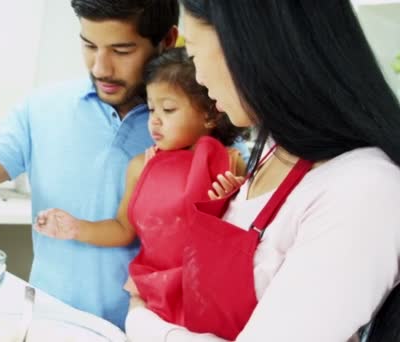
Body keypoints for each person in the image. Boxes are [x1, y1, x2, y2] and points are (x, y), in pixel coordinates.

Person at [124, 0, 400, 341]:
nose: (198, 78)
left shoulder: (364, 191)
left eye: (194, 55)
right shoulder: (275, 153)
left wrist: (143, 323)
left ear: (248, 46)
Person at [0, 0, 180, 329]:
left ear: (167, 41)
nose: (101, 67)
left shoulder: (198, 128)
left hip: (146, 334)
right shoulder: (45, 108)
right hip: (45, 327)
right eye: (89, 45)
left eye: (121, 50)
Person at [33, 47, 247, 324]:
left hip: (204, 293)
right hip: (151, 291)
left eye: (168, 109)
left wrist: (234, 197)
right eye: (151, 108)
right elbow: (123, 230)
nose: (155, 120)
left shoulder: (230, 163)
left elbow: (243, 241)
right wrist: (76, 227)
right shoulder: (141, 166)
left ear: (210, 114)